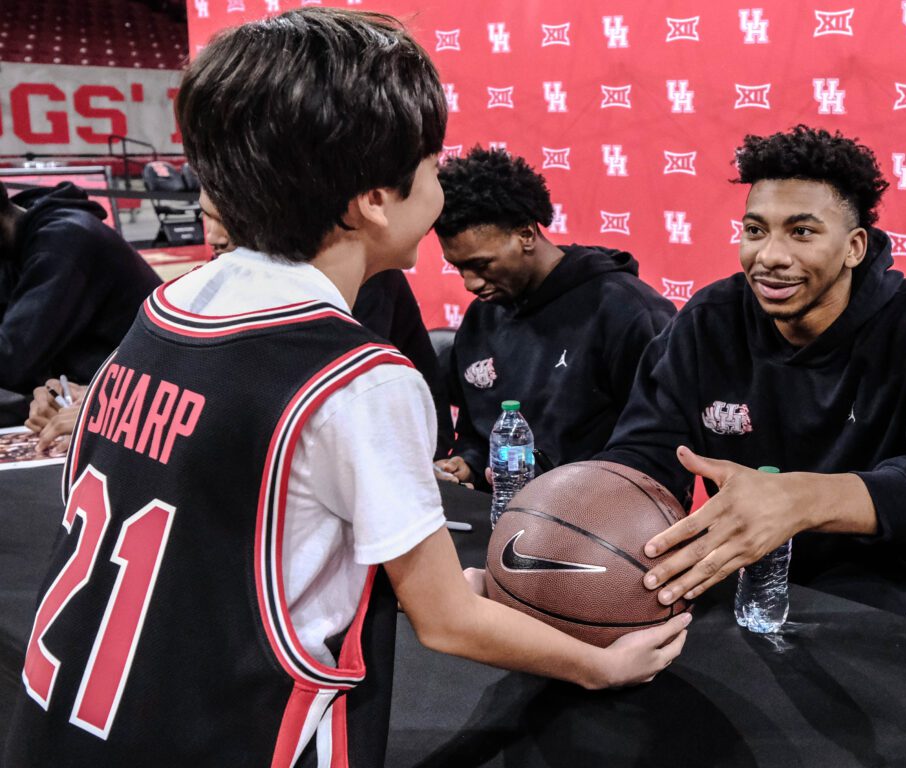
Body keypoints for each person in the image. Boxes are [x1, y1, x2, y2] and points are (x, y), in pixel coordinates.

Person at [3, 10, 689, 768]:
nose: (439, 178)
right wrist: (603, 664)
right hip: (233, 736)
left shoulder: (168, 308)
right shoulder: (355, 377)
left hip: (68, 721)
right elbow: (448, 623)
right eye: (431, 162)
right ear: (373, 199)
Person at [600, 125, 906, 629]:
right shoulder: (709, 320)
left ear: (855, 247)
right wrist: (588, 510)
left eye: (802, 232)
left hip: (891, 578)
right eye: (755, 230)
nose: (769, 256)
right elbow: (642, 455)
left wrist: (801, 501)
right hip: (742, 566)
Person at [433, 147, 675, 487]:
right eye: (458, 267)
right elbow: (478, 430)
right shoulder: (481, 318)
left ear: (526, 234)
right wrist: (470, 463)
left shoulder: (630, 313)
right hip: (500, 517)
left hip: (599, 523)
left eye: (482, 264)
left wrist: (564, 493)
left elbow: (660, 448)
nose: (470, 283)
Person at [199, 188, 454, 455]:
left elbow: (338, 396)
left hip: (396, 446)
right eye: (206, 215)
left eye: (227, 219)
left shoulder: (355, 277)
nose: (213, 236)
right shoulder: (220, 277)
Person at [0, 181, 160, 425]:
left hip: (142, 405)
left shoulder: (62, 242)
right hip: (81, 389)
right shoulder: (15, 243)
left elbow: (11, 361)